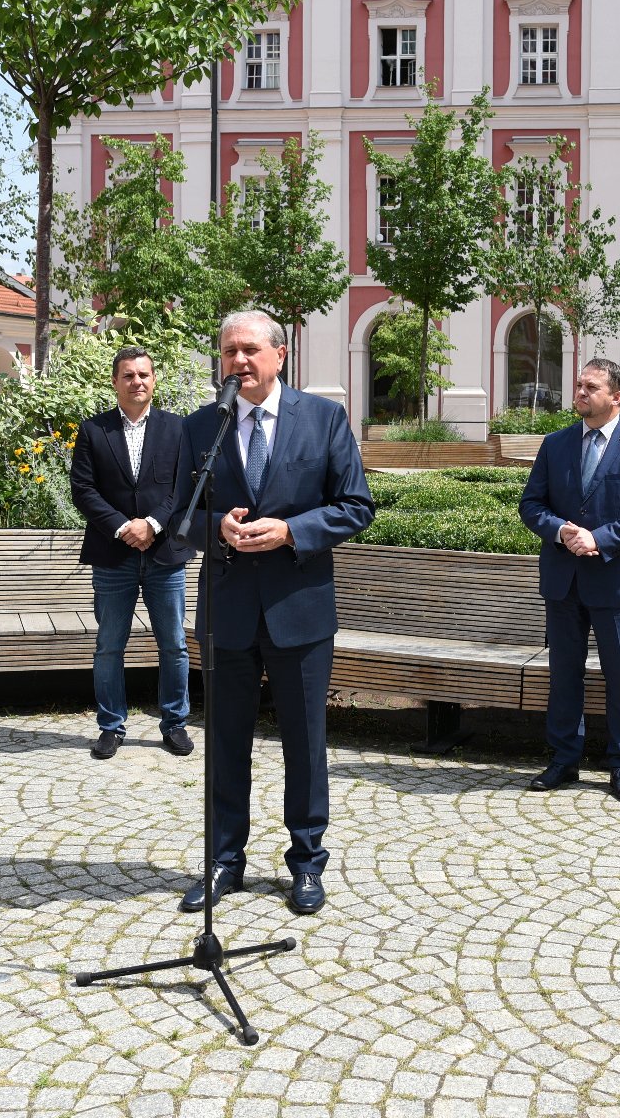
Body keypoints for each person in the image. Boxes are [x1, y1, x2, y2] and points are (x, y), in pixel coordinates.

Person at [173, 311, 374, 916]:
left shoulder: (323, 418)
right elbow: (179, 516)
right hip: (228, 610)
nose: (238, 361)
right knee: (224, 743)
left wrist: (291, 530)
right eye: (229, 351)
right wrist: (218, 528)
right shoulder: (199, 427)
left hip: (300, 609)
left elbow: (355, 506)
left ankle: (307, 862)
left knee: (305, 743)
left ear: (280, 355)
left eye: (249, 350)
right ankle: (223, 861)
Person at [518, 358, 620, 802]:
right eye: (579, 385)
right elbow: (532, 505)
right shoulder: (556, 444)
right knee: (564, 675)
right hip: (563, 582)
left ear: (616, 396)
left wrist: (598, 539)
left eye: (591, 387)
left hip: (614, 582)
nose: (580, 392)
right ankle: (564, 760)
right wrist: (559, 530)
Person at [70, 346, 195, 760]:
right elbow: (83, 490)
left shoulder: (179, 430)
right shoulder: (93, 431)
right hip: (113, 555)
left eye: (144, 374)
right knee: (109, 645)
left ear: (153, 380)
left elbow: (183, 488)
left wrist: (152, 524)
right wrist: (125, 527)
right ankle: (110, 726)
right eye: (128, 375)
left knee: (174, 644)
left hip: (164, 555)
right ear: (115, 382)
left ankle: (175, 723)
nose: (137, 381)